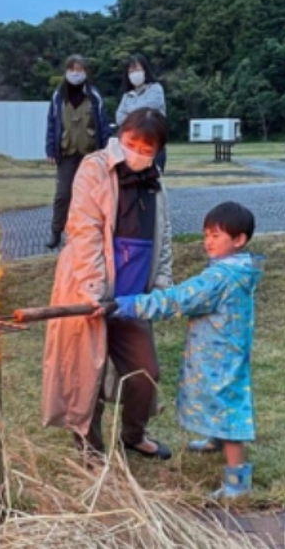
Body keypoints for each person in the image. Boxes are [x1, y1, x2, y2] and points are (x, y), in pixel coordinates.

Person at [41, 108, 174, 461]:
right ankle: (89, 446)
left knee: (145, 371)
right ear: (121, 136)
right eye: (131, 143)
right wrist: (94, 291)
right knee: (88, 373)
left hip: (133, 295)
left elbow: (163, 234)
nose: (137, 153)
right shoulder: (95, 167)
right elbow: (84, 232)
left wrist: (161, 284)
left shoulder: (155, 178)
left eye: (147, 149)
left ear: (157, 150)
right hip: (91, 289)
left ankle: (133, 435)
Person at [109, 201, 263, 499]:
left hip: (221, 355)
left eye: (216, 236)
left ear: (239, 240)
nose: (207, 241)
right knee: (217, 399)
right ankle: (215, 440)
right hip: (221, 350)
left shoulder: (220, 278)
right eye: (206, 234)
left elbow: (177, 299)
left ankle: (237, 482)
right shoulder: (237, 269)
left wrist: (131, 305)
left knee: (229, 410)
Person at [44, 54, 113, 250]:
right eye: (72, 69)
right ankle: (56, 232)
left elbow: (103, 124)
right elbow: (52, 124)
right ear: (66, 72)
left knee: (92, 196)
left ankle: (91, 233)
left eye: (79, 70)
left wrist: (106, 150)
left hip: (90, 153)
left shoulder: (94, 95)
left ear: (85, 72)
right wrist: (50, 149)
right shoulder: (58, 96)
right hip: (66, 153)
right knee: (63, 194)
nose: (76, 73)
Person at [115, 55, 168, 172]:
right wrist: (137, 112)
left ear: (145, 70)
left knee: (153, 183)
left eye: (138, 69)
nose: (134, 74)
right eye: (131, 71)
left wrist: (130, 113)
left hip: (154, 142)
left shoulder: (156, 89)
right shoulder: (127, 96)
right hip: (132, 147)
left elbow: (149, 109)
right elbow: (119, 118)